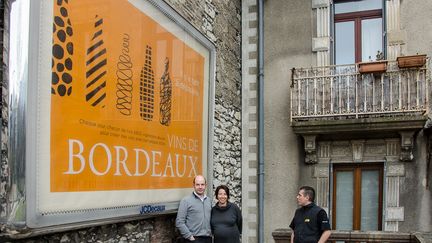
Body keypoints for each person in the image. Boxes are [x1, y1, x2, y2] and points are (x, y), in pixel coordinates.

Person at [176, 175, 212, 243]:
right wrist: (189, 236)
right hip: (193, 239)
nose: (200, 187)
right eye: (197, 184)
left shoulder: (209, 200)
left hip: (208, 239)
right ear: (193, 185)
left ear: (205, 185)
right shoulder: (186, 201)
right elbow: (179, 222)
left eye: (202, 184)